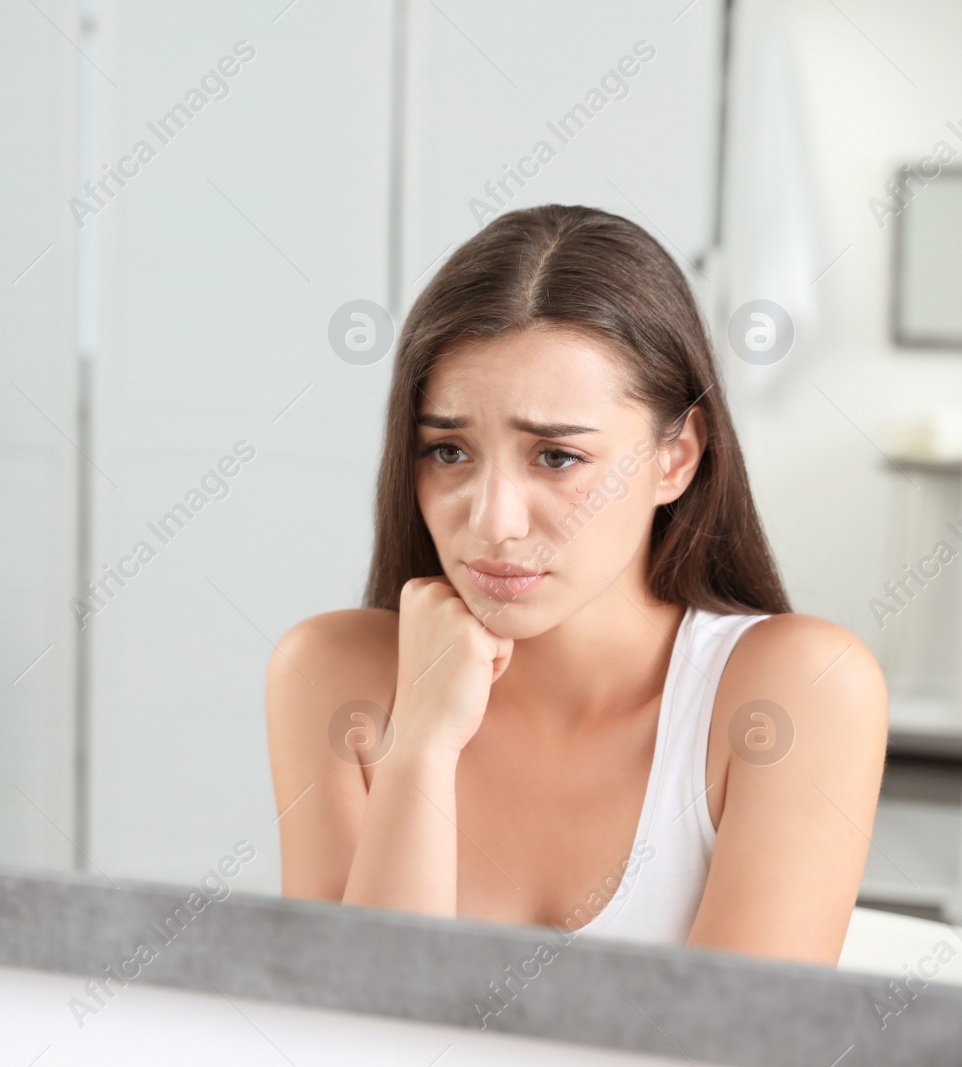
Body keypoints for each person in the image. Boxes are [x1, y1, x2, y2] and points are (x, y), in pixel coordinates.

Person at [265, 204, 887, 963]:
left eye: (556, 457)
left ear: (676, 459)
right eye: (450, 451)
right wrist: (421, 746)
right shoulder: (334, 674)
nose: (492, 522)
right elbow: (345, 1032)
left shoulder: (798, 689)